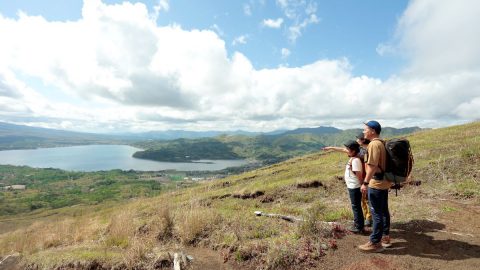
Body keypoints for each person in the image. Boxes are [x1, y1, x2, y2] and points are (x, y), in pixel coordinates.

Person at [358, 120, 392, 252]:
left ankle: (375, 242)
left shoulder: (373, 145)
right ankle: (385, 237)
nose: (363, 131)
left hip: (376, 183)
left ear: (372, 131)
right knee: (384, 211)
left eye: (365, 129)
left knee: (376, 213)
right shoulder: (382, 143)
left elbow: (372, 166)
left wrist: (365, 183)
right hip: (384, 182)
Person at [323, 141, 365, 234]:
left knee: (356, 206)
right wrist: (330, 148)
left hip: (355, 186)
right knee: (356, 206)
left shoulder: (355, 160)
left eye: (348, 149)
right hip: (353, 186)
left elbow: (359, 175)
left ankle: (359, 226)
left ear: (353, 151)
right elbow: (341, 149)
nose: (346, 150)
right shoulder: (354, 157)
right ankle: (358, 223)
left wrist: (363, 184)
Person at [356, 133, 372, 227]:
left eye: (358, 139)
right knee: (365, 199)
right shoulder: (363, 149)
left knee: (366, 199)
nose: (357, 140)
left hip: (368, 178)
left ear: (362, 140)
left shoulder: (365, 150)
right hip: (367, 177)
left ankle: (369, 218)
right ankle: (368, 217)